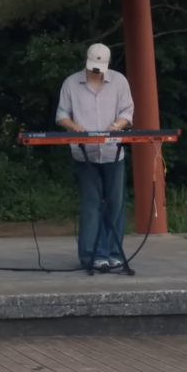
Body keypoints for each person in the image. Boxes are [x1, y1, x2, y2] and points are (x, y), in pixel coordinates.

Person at [55, 43, 134, 271]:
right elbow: (61, 114)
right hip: (84, 153)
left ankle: (113, 252)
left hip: (112, 151)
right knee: (91, 204)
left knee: (115, 203)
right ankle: (93, 255)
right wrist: (74, 127)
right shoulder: (71, 83)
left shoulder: (119, 81)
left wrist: (116, 125)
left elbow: (127, 111)